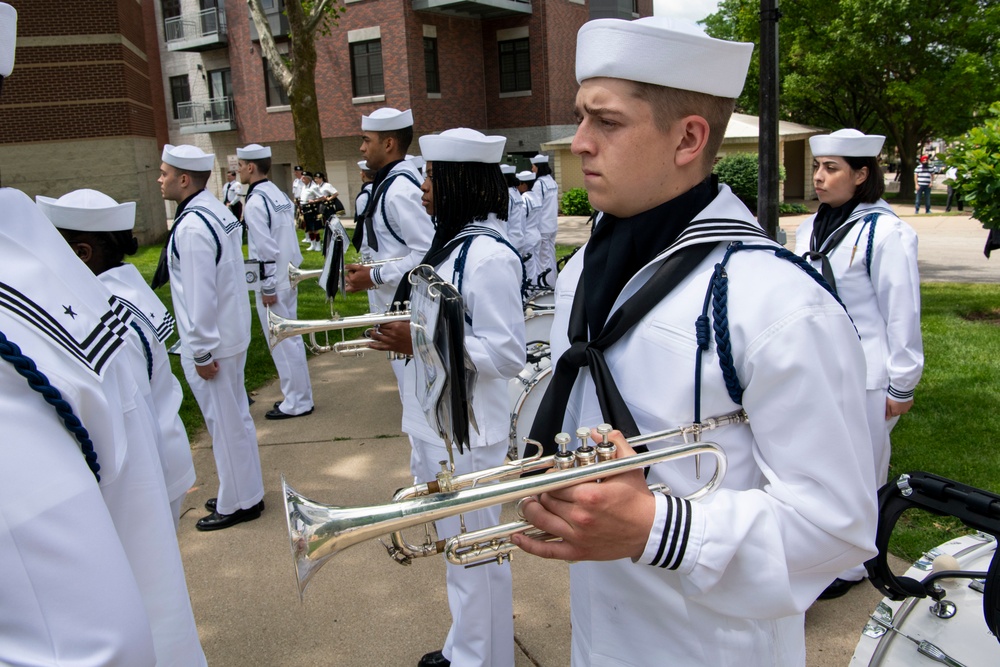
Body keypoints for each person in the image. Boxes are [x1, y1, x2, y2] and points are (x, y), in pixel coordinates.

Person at [510, 17, 878, 666]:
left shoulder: (780, 304)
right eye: (580, 118)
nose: (580, 142)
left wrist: (658, 526)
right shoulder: (584, 272)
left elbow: (837, 526)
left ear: (688, 138)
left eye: (607, 122)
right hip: (602, 633)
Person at [1, 9, 198, 663]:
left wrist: (211, 348)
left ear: (84, 248)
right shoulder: (111, 303)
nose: (165, 179)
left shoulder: (74, 314)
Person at [367, 128, 525, 667]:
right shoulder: (455, 245)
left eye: (433, 176)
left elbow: (507, 354)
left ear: (460, 181)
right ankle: (468, 648)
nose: (422, 187)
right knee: (459, 552)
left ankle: (483, 660)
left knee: (476, 555)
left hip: (471, 434)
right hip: (438, 424)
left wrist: (422, 340)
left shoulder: (487, 257)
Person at [795, 128, 924, 598]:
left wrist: (901, 384)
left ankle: (853, 565)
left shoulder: (887, 233)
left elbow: (901, 312)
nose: (819, 177)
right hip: (820, 368)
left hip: (869, 375)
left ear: (862, 173)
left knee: (864, 468)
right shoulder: (809, 226)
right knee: (824, 464)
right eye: (817, 167)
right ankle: (829, 548)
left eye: (831, 168)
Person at [37, 188, 197, 526]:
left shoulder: (107, 319)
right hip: (160, 458)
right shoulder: (119, 292)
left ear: (82, 253)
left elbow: (127, 415)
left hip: (146, 477)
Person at [158, 143, 266, 531]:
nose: (160, 179)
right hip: (230, 332)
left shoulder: (191, 226)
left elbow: (199, 295)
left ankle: (239, 501)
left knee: (226, 423)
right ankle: (242, 490)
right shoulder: (213, 210)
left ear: (183, 179)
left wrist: (201, 351)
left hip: (213, 341)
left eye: (164, 173)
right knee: (235, 419)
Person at [237, 143, 315, 420]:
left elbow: (265, 248)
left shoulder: (257, 200)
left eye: (240, 165)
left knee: (282, 343)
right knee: (290, 340)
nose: (238, 170)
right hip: (287, 274)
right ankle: (300, 396)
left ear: (250, 167)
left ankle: (296, 401)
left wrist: (267, 286)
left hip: (274, 280)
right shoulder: (277, 193)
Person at [530, 153, 559, 287]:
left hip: (543, 227)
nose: (532, 170)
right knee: (551, 255)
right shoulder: (552, 182)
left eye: (533, 167)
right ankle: (554, 280)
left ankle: (548, 284)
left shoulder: (539, 184)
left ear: (538, 167)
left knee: (544, 258)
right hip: (552, 225)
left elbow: (536, 207)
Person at [500, 163, 528, 281]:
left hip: (511, 239)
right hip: (520, 237)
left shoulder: (507, 195)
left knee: (510, 275)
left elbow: (505, 220)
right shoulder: (516, 193)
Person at [516, 169, 542, 289]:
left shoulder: (524, 198)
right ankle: (537, 287)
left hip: (528, 236)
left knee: (529, 267)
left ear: (524, 185)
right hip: (536, 234)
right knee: (537, 264)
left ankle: (531, 290)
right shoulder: (536, 196)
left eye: (519, 183)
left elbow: (522, 219)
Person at [299, 170, 324, 251]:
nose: (302, 179)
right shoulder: (303, 187)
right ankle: (312, 244)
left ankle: (318, 244)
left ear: (308, 179)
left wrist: (314, 201)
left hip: (312, 209)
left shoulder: (314, 187)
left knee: (315, 227)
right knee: (309, 228)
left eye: (304, 177)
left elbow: (322, 197)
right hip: (304, 208)